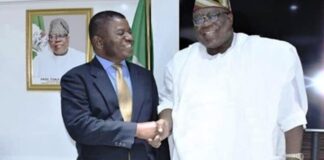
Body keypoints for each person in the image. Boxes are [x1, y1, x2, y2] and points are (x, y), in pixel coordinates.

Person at [153, 0, 308, 160]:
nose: (205, 24)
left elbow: (292, 116)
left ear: (230, 18)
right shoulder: (180, 62)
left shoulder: (273, 54)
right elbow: (169, 103)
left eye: (212, 15)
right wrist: (164, 123)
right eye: (198, 20)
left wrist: (294, 157)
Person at [60, 10, 170, 160]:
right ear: (99, 42)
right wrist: (136, 130)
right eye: (121, 33)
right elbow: (80, 126)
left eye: (130, 32)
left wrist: (158, 134)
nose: (130, 38)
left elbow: (154, 121)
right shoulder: (76, 79)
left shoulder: (145, 76)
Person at [33, 18, 85, 84]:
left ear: (68, 39)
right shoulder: (38, 60)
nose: (57, 40)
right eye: (52, 36)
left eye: (61, 35)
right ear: (48, 39)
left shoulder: (82, 58)